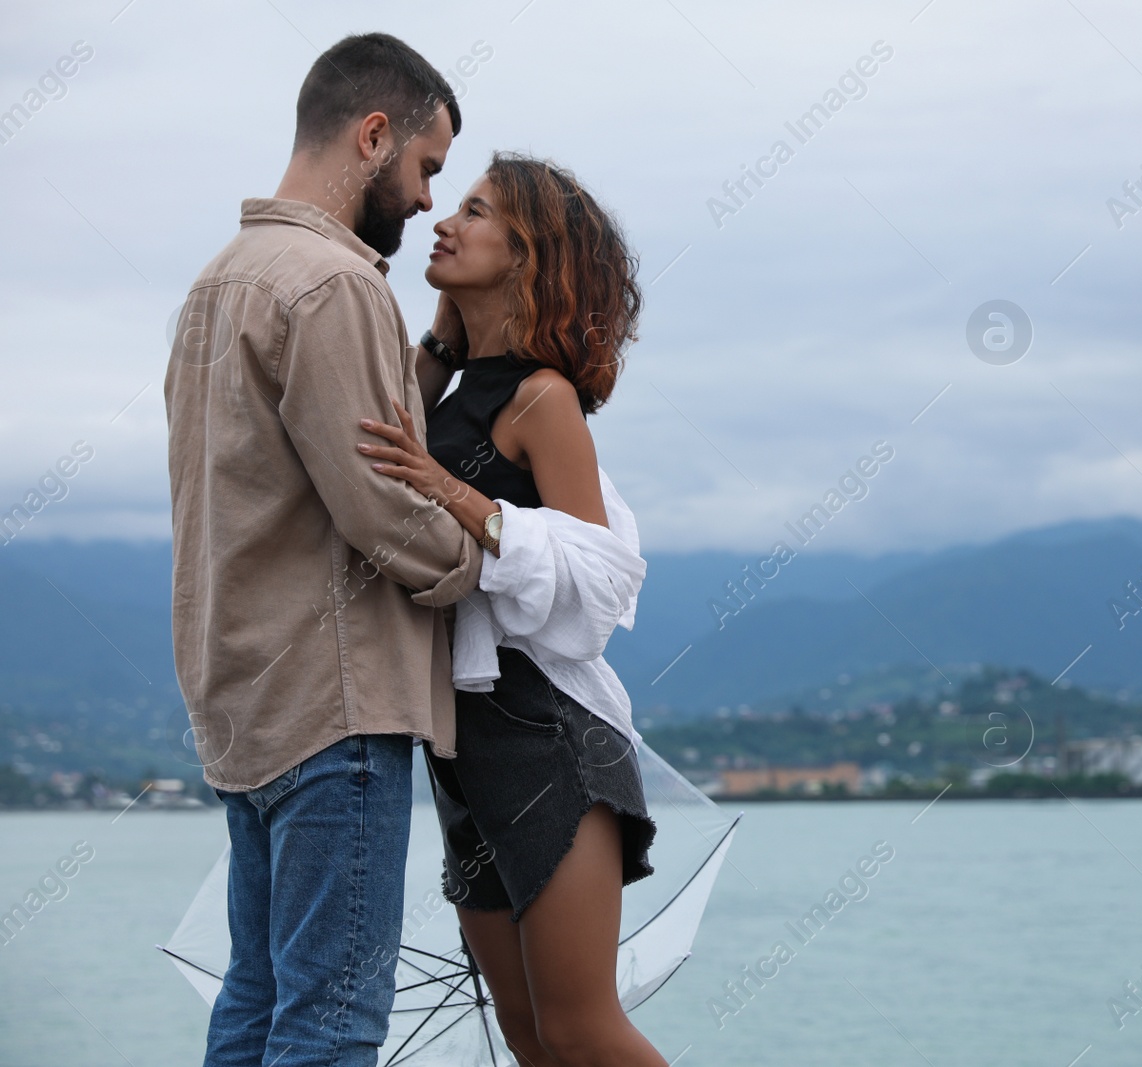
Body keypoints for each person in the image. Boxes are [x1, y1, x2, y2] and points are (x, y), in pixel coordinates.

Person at [164, 33, 483, 1067]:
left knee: (256, 1007)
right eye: (427, 167)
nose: (431, 200)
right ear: (374, 134)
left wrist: (426, 355)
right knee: (334, 1026)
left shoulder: (217, 284)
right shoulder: (335, 286)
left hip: (244, 701)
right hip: (334, 705)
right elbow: (383, 507)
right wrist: (490, 554)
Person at [354, 152, 665, 1066]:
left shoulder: (544, 398)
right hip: (463, 753)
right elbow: (377, 438)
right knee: (527, 1035)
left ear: (527, 253)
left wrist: (456, 493)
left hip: (549, 736)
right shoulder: (448, 386)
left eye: (476, 210)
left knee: (579, 1026)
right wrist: (444, 342)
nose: (445, 222)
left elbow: (600, 579)